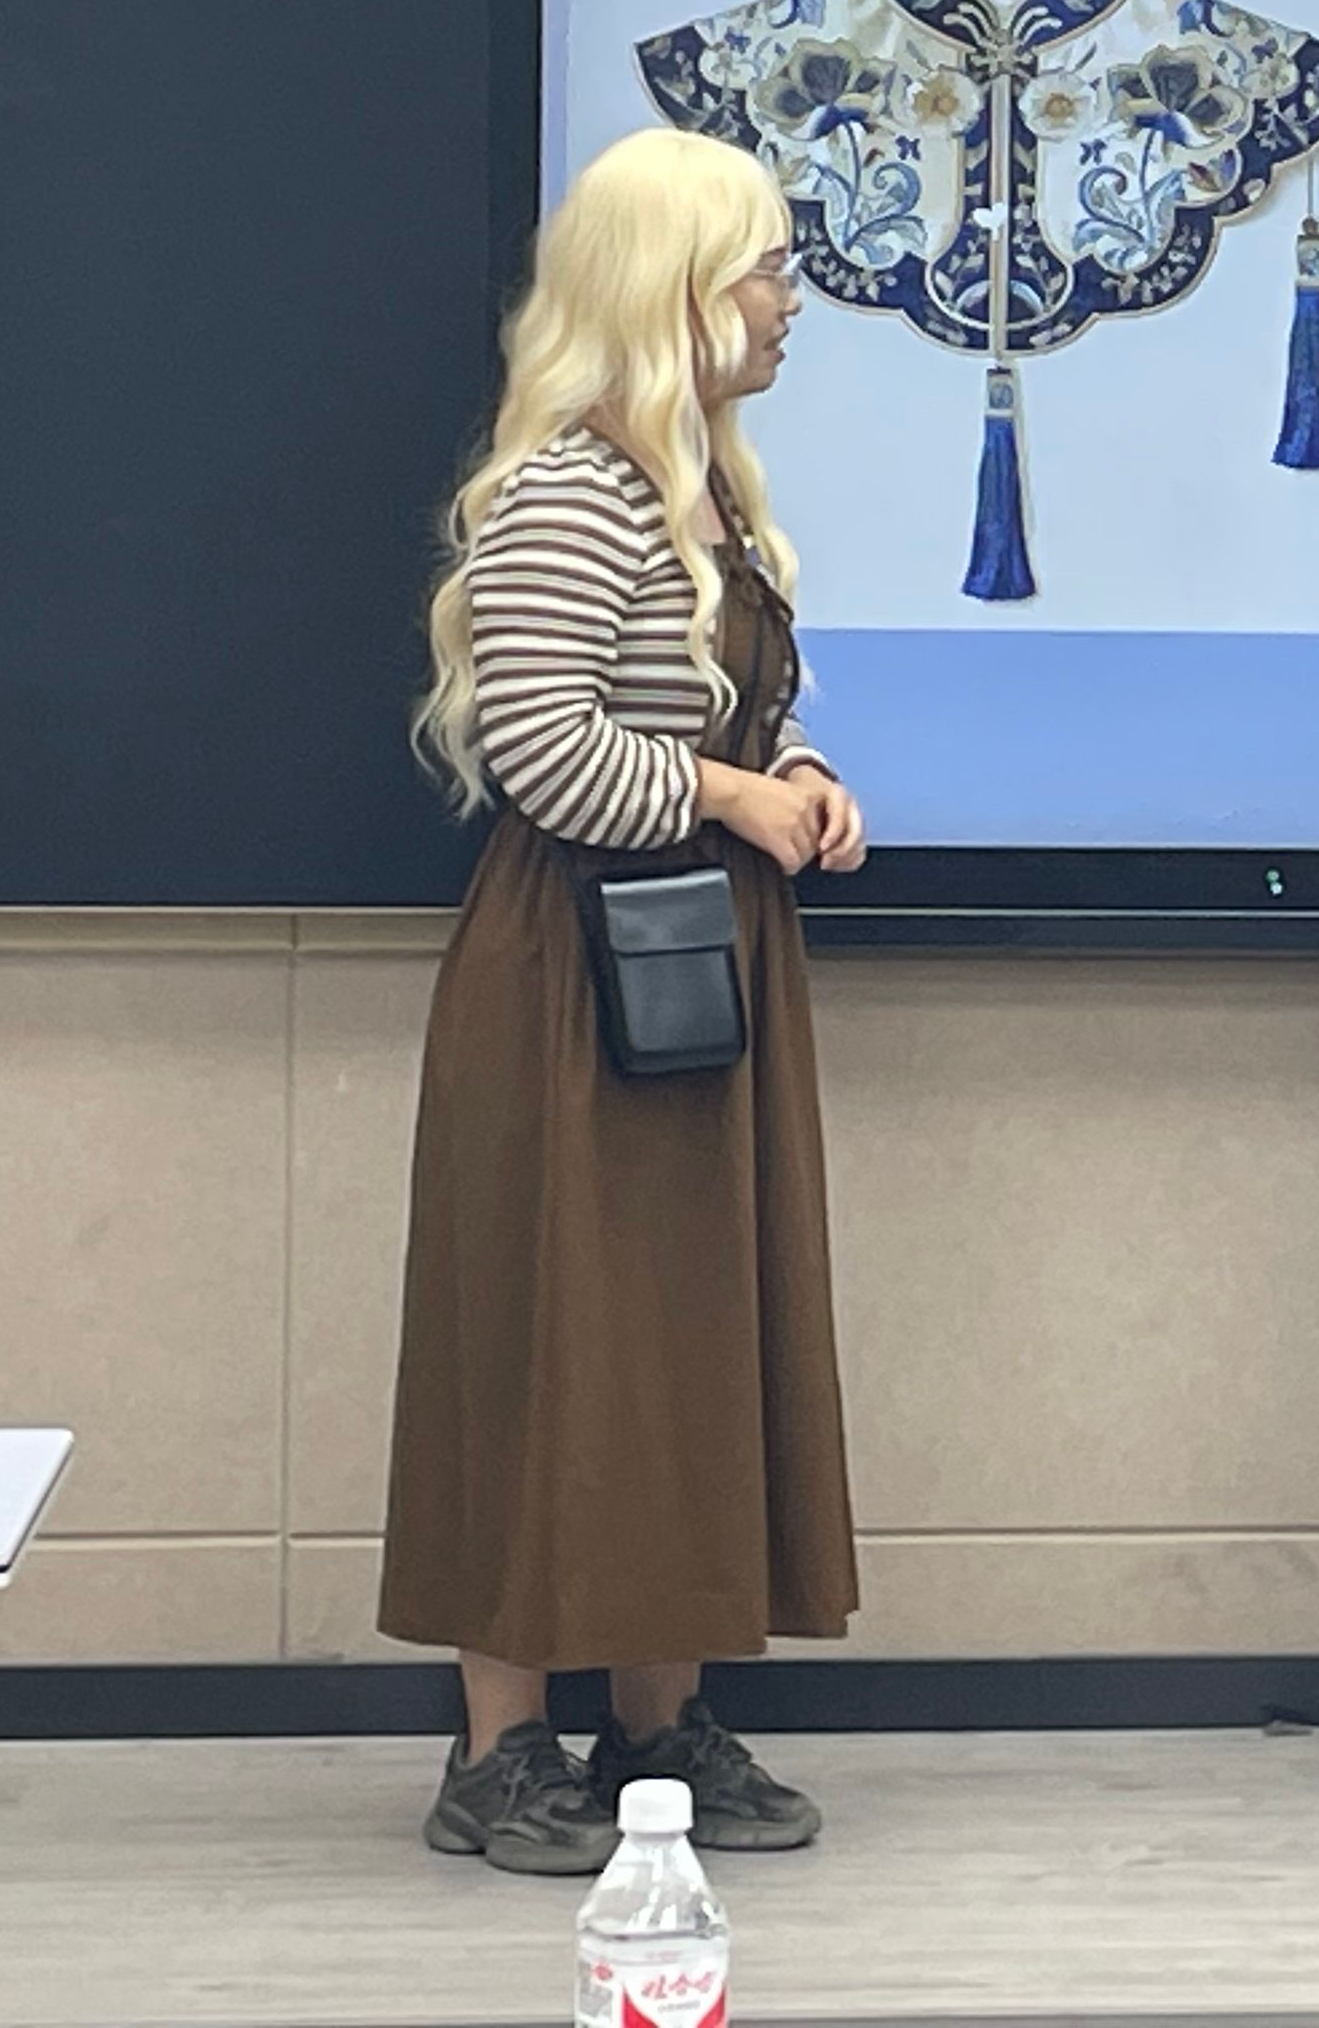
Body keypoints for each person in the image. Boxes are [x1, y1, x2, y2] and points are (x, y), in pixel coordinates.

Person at [382, 126, 869, 1874]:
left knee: (680, 1345)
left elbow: (726, 710)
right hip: (574, 988)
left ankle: (659, 1736)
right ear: (677, 287)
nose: (791, 298)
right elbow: (542, 749)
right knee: (539, 1342)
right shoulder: (572, 492)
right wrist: (733, 795)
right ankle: (498, 1758)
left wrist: (797, 774)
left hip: (695, 970)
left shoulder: (709, 487)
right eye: (768, 267)